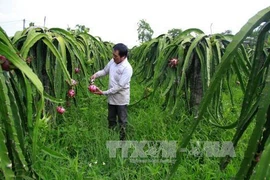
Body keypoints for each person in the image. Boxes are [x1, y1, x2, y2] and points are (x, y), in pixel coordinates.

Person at [90, 43, 133, 140]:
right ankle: (111, 137)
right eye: (113, 54)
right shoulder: (112, 62)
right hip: (111, 97)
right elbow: (105, 71)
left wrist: (104, 92)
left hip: (121, 99)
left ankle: (123, 141)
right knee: (111, 118)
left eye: (115, 56)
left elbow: (119, 86)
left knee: (122, 120)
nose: (113, 57)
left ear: (123, 57)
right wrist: (95, 75)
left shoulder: (127, 68)